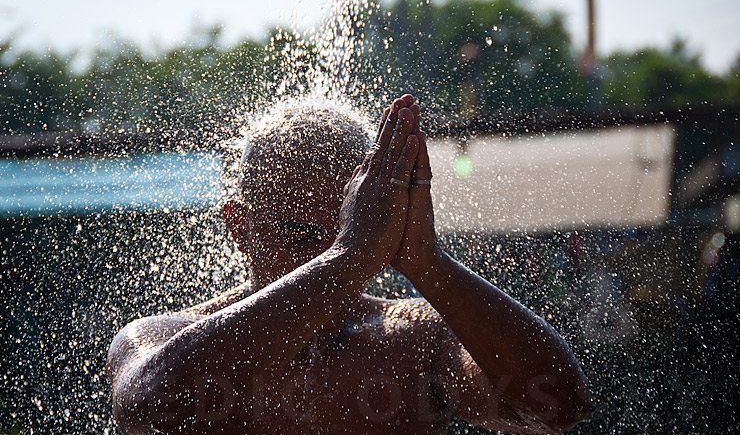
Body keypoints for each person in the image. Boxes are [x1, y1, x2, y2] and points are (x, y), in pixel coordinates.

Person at [106, 94, 590, 434]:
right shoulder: (157, 337)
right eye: (297, 233)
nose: (324, 256)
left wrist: (430, 264)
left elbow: (559, 409)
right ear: (238, 226)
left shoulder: (417, 336)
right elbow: (151, 409)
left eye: (345, 230)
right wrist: (350, 253)